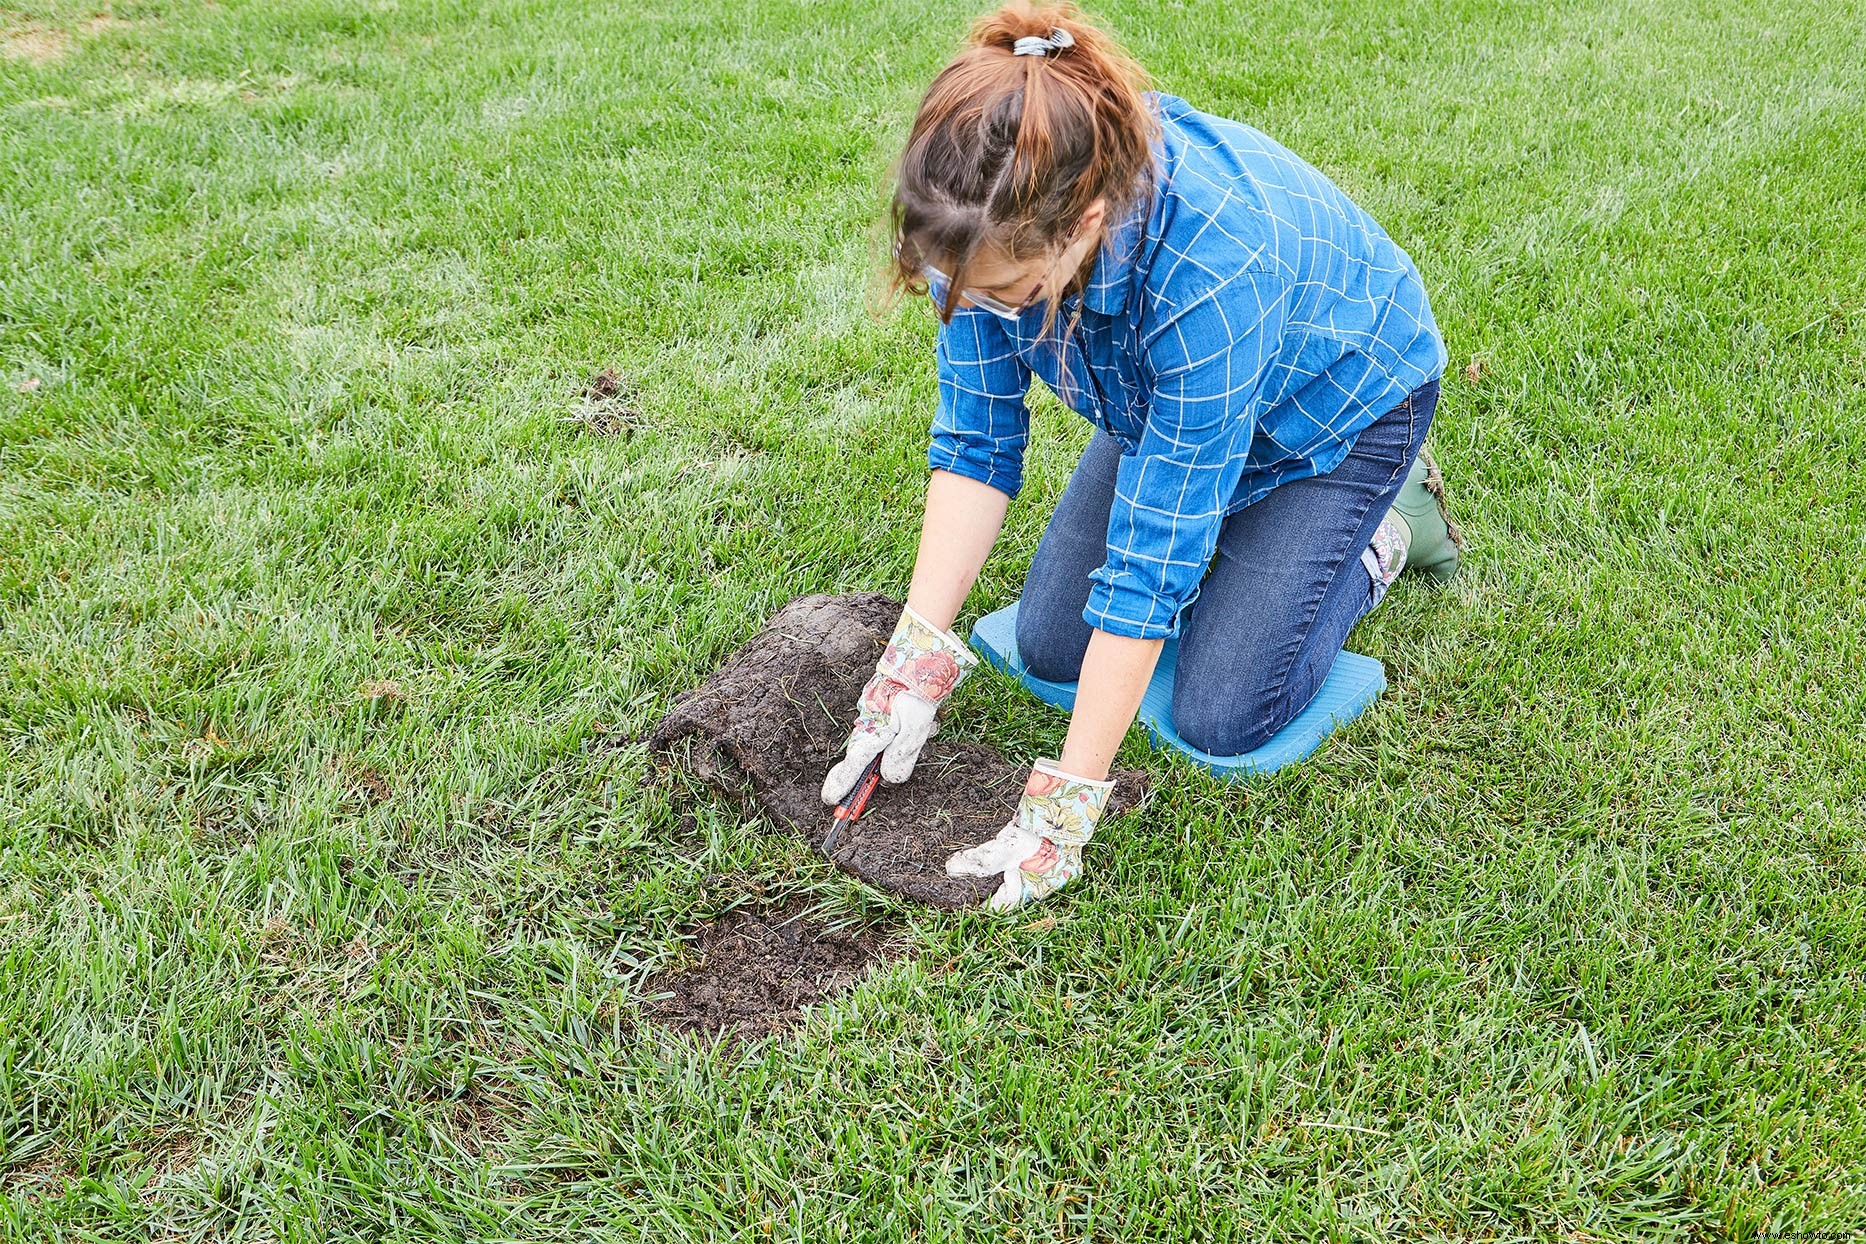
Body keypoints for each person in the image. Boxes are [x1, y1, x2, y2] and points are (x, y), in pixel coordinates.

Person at [821, 1, 1463, 911]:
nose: (989, 314)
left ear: (1083, 228)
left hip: (1337, 411)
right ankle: (1257, 538)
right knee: (1048, 646)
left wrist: (1066, 806)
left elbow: (1151, 562)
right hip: (1169, 410)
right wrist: (911, 661)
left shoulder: (1212, 271)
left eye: (1014, 297)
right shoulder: (973, 229)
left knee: (1226, 711)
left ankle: (1385, 527)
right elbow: (976, 436)